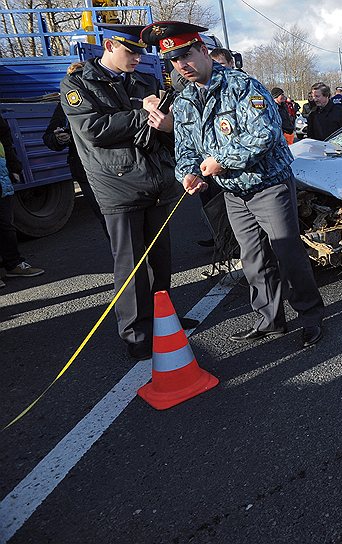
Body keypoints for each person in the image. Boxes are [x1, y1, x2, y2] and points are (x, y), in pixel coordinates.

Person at [143, 20, 325, 348]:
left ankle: (310, 315)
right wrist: (187, 174)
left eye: (186, 55)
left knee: (287, 252)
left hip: (268, 185)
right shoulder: (184, 102)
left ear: (203, 51)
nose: (181, 64)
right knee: (253, 259)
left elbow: (265, 133)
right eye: (174, 60)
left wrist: (221, 160)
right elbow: (184, 147)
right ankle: (270, 321)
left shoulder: (242, 86)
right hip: (233, 192)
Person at [60, 23, 188, 360]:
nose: (136, 58)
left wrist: (165, 123)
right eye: (130, 51)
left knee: (160, 259)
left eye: (140, 52)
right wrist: (142, 114)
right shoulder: (79, 84)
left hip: (154, 181)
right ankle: (136, 333)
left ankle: (164, 319)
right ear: (108, 46)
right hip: (117, 184)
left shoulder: (145, 81)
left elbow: (161, 129)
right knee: (131, 264)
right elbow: (93, 129)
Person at [43, 85, 108, 237]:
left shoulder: (106, 97)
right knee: (108, 221)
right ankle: (126, 257)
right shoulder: (68, 101)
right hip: (85, 171)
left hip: (114, 168)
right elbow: (49, 137)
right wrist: (59, 138)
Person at [0, 113, 45, 288]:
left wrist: (13, 166)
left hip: (2, 173)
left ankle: (14, 264)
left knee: (5, 224)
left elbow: (5, 137)